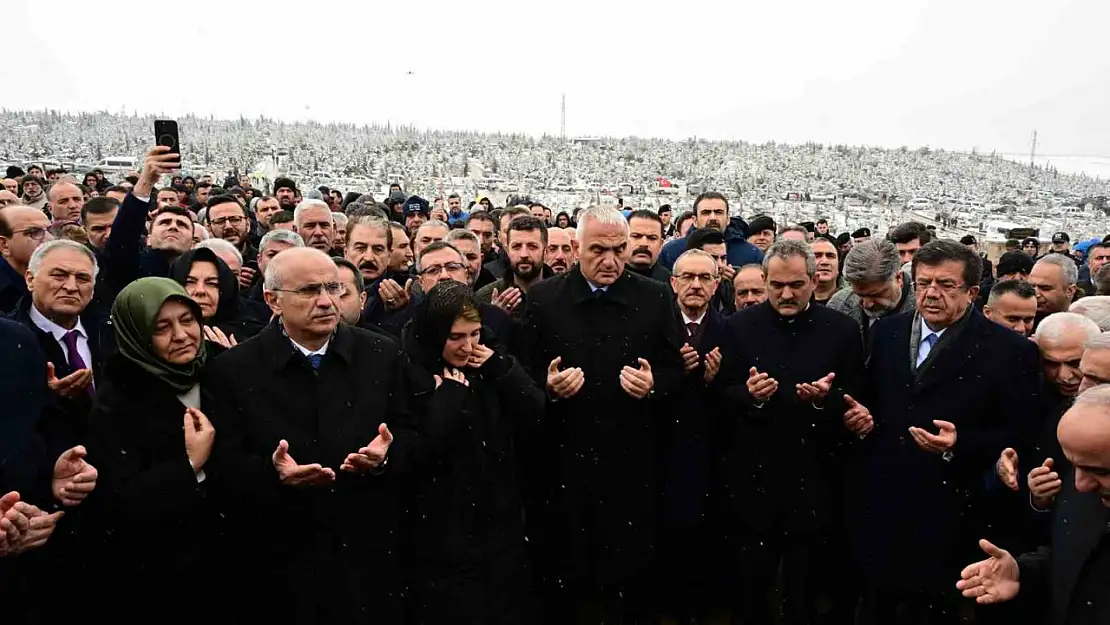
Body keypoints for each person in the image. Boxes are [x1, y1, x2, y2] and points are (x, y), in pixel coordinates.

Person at [203, 247, 416, 623]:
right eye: (308, 291)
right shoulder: (234, 369)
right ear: (273, 301)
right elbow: (223, 462)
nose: (325, 301)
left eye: (333, 288)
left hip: (363, 551)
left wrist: (386, 456)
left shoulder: (382, 354)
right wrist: (274, 474)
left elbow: (411, 433)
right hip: (277, 556)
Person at [847, 239, 1042, 625]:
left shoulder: (1007, 350)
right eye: (924, 283)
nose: (932, 293)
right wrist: (859, 416)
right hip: (883, 504)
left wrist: (961, 443)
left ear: (972, 292)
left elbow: (1020, 431)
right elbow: (873, 399)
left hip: (952, 513)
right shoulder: (887, 331)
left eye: (946, 285)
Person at [518, 205, 684, 623]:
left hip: (631, 461)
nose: (610, 261)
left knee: (626, 575)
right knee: (567, 571)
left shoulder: (655, 296)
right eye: (597, 250)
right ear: (576, 248)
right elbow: (521, 370)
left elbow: (677, 367)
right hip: (563, 460)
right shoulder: (544, 298)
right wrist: (548, 386)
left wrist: (655, 385)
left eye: (618, 249)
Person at [716, 239, 867, 624]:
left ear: (814, 281)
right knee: (750, 584)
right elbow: (720, 395)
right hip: (753, 478)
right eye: (777, 285)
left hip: (814, 478)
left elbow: (856, 394)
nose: (786, 294)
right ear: (764, 280)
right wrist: (752, 397)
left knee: (805, 587)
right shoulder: (738, 327)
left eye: (796, 285)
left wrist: (824, 399)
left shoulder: (843, 330)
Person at [85, 278, 232, 621]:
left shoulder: (220, 370)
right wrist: (189, 464)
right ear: (137, 334)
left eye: (187, 320)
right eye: (161, 326)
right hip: (163, 570)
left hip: (232, 561)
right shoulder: (118, 399)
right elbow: (121, 498)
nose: (181, 335)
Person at [400, 281, 543, 624]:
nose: (468, 346)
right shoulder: (410, 371)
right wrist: (447, 399)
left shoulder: (492, 361)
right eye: (456, 337)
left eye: (475, 334)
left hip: (498, 517)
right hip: (442, 526)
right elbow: (416, 451)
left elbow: (535, 410)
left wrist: (502, 369)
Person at [957, 384, 1110, 625]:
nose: (1080, 485)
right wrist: (1022, 572)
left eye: (1100, 471)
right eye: (1074, 466)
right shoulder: (1088, 488)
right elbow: (1076, 556)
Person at [659, 249, 729, 620]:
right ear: (673, 283)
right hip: (661, 450)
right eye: (688, 277)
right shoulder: (656, 327)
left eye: (705, 278)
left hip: (710, 455)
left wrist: (714, 381)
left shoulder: (730, 330)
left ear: (716, 285)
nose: (696, 285)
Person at [828, 239, 915, 344]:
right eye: (859, 295)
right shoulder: (839, 306)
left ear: (898, 278)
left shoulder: (924, 310)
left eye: (876, 295)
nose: (867, 304)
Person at [170, 247, 264, 344]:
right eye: (189, 282)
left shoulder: (254, 336)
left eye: (212, 284)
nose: (200, 291)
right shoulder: (159, 333)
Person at [658, 192, 762, 270]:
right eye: (706, 213)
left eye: (718, 212)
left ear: (728, 219)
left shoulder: (751, 255)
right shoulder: (672, 252)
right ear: (694, 220)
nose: (713, 218)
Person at [476, 217, 552, 320]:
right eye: (516, 246)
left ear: (545, 250)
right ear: (507, 250)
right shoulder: (486, 297)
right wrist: (494, 321)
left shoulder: (563, 294)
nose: (524, 254)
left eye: (532, 246)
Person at [1030, 254, 1079, 330]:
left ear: (1070, 290)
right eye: (1031, 286)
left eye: (1045, 288)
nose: (1035, 294)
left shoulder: (1082, 326)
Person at [626, 209, 670, 282]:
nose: (644, 244)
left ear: (661, 244)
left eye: (652, 238)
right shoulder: (607, 280)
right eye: (636, 236)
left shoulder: (671, 285)